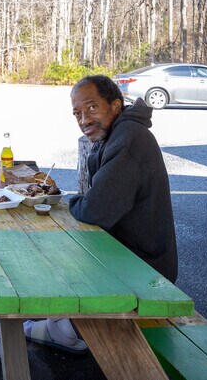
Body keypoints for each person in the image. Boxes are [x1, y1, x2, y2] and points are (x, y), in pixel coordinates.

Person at [68, 74, 178, 282]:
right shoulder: (111, 134)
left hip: (144, 270)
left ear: (115, 106)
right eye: (77, 113)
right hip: (122, 253)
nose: (84, 120)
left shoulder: (129, 138)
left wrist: (71, 203)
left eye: (92, 108)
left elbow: (94, 210)